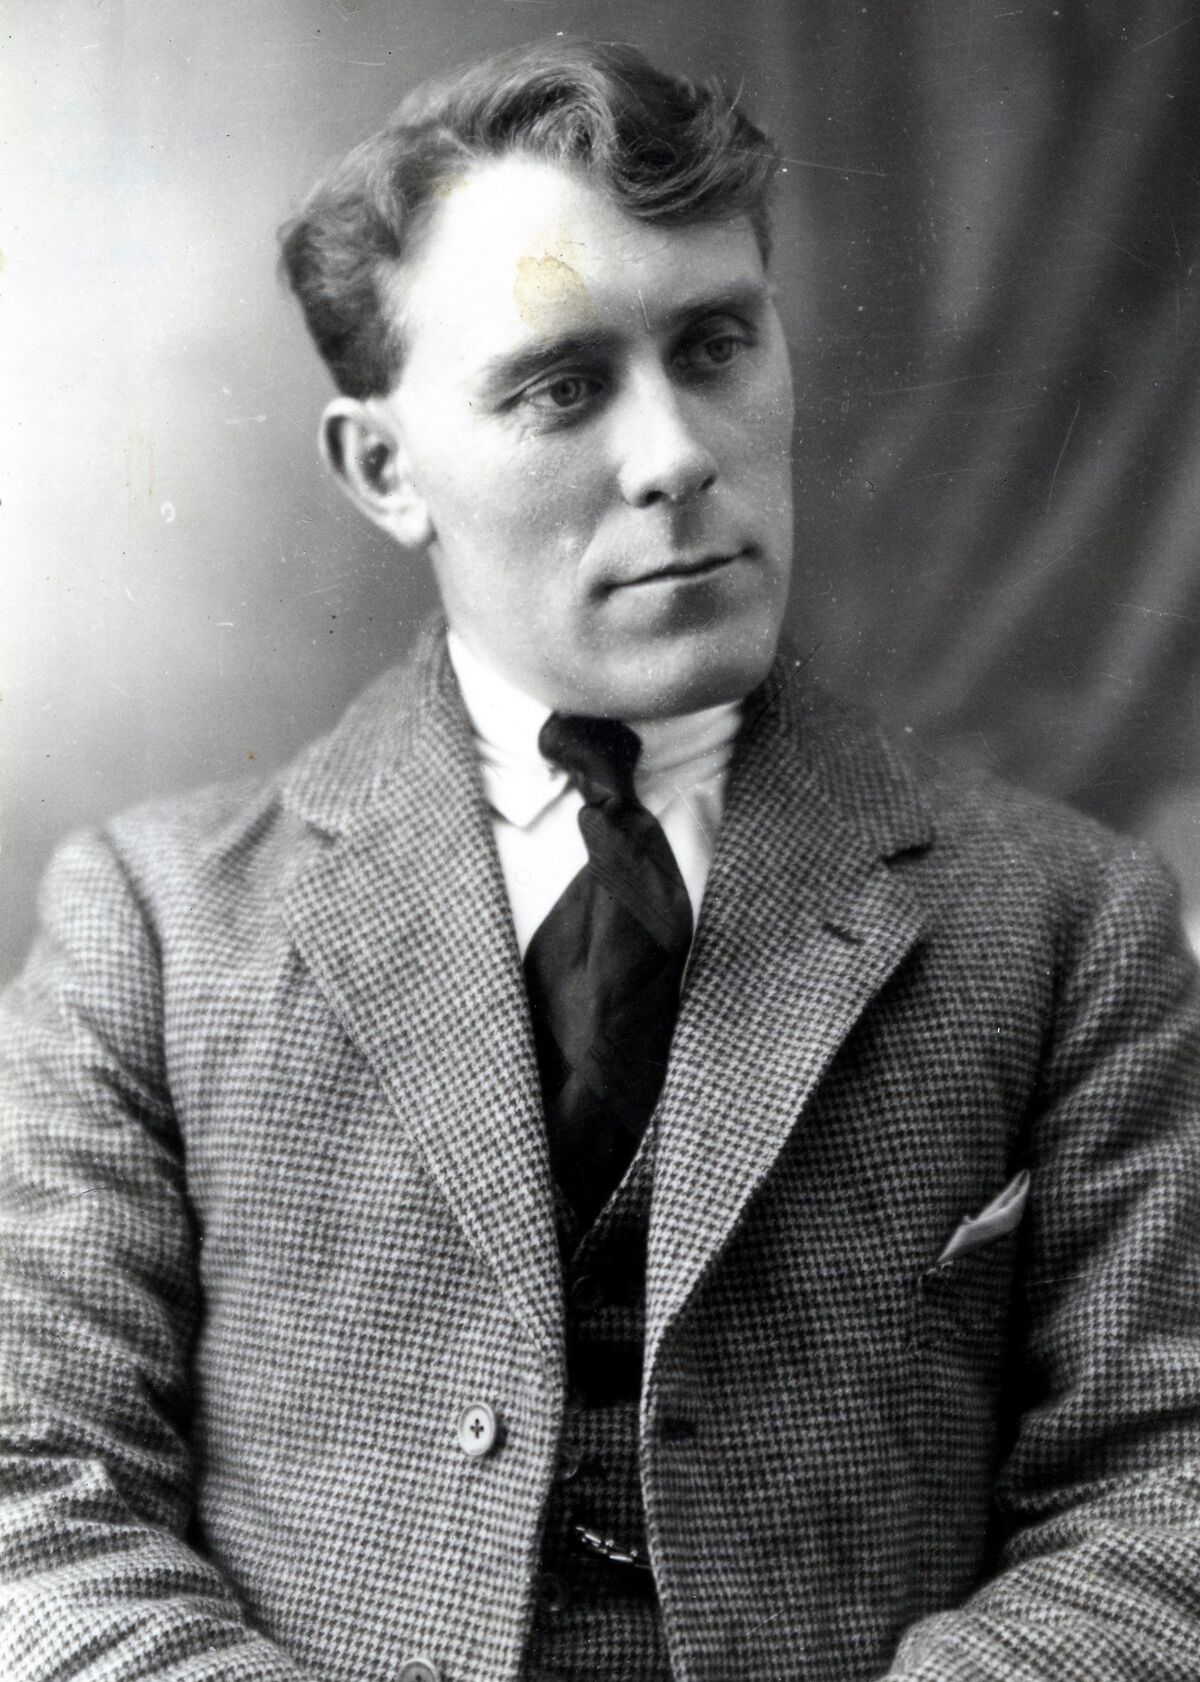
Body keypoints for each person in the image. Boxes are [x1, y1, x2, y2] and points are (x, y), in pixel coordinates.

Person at [2, 37, 1199, 1682]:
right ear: (385, 469)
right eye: (562, 386)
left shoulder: (1067, 921)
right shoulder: (152, 929)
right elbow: (33, 1487)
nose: (676, 453)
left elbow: (1165, 1485)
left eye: (714, 345)